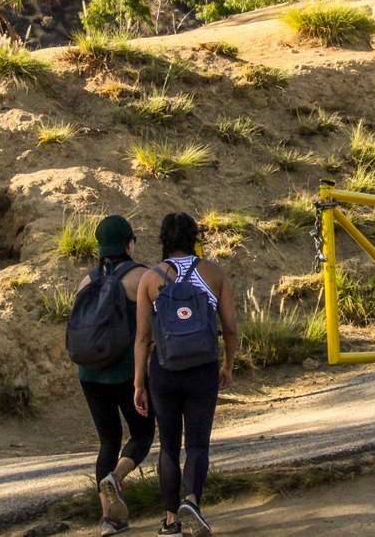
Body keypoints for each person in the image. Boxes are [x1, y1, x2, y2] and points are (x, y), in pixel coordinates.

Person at [134, 213, 239, 537]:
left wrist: (139, 382)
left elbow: (142, 337)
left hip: (164, 371)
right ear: (195, 237)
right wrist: (228, 365)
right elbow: (231, 328)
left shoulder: (150, 278)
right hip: (202, 370)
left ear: (163, 239)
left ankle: (170, 521)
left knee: (168, 447)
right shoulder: (213, 272)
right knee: (197, 444)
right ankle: (191, 500)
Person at [76, 215, 156, 537]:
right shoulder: (140, 277)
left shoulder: (86, 281)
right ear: (129, 243)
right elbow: (153, 329)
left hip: (89, 373)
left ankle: (109, 519)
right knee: (142, 435)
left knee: (107, 440)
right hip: (125, 372)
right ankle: (117, 478)